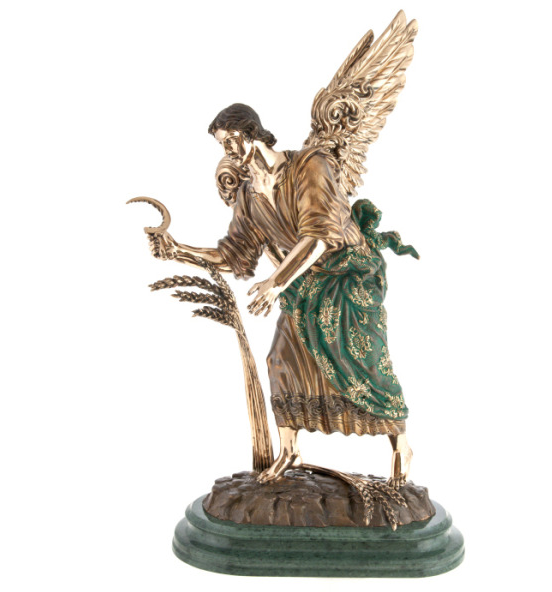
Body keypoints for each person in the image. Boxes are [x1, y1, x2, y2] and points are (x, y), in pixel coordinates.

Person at [148, 103, 415, 484]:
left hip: (347, 275)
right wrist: (179, 251)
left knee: (364, 359)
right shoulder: (249, 196)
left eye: (230, 140)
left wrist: (276, 283)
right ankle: (290, 450)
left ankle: (401, 446)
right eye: (222, 144)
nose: (227, 150)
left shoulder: (310, 165)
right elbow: (234, 255)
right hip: (303, 284)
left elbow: (320, 237)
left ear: (251, 132)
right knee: (281, 359)